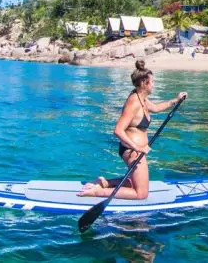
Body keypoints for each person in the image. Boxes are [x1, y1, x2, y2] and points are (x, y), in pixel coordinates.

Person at [78, 60, 187, 200]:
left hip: (136, 150)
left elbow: (156, 108)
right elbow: (118, 130)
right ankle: (98, 192)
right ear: (143, 83)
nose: (153, 85)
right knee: (141, 194)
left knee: (132, 182)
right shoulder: (134, 101)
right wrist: (138, 148)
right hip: (132, 151)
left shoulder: (142, 98)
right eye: (151, 82)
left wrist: (175, 100)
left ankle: (104, 183)